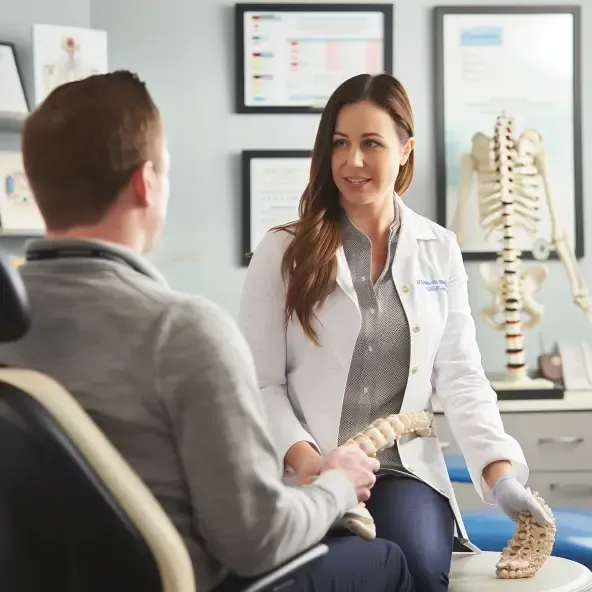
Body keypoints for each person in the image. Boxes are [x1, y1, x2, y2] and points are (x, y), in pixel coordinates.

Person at [0, 71, 414, 592]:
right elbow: (256, 539)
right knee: (389, 561)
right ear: (145, 183)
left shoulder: (12, 319)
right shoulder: (182, 333)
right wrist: (336, 487)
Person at [238, 73, 553, 592]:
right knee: (338, 569)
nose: (352, 161)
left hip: (400, 469)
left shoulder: (439, 247)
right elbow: (260, 384)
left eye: (371, 144)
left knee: (420, 566)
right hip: (310, 466)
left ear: (405, 150)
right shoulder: (282, 251)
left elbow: (462, 377)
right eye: (340, 143)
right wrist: (316, 467)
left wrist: (501, 476)